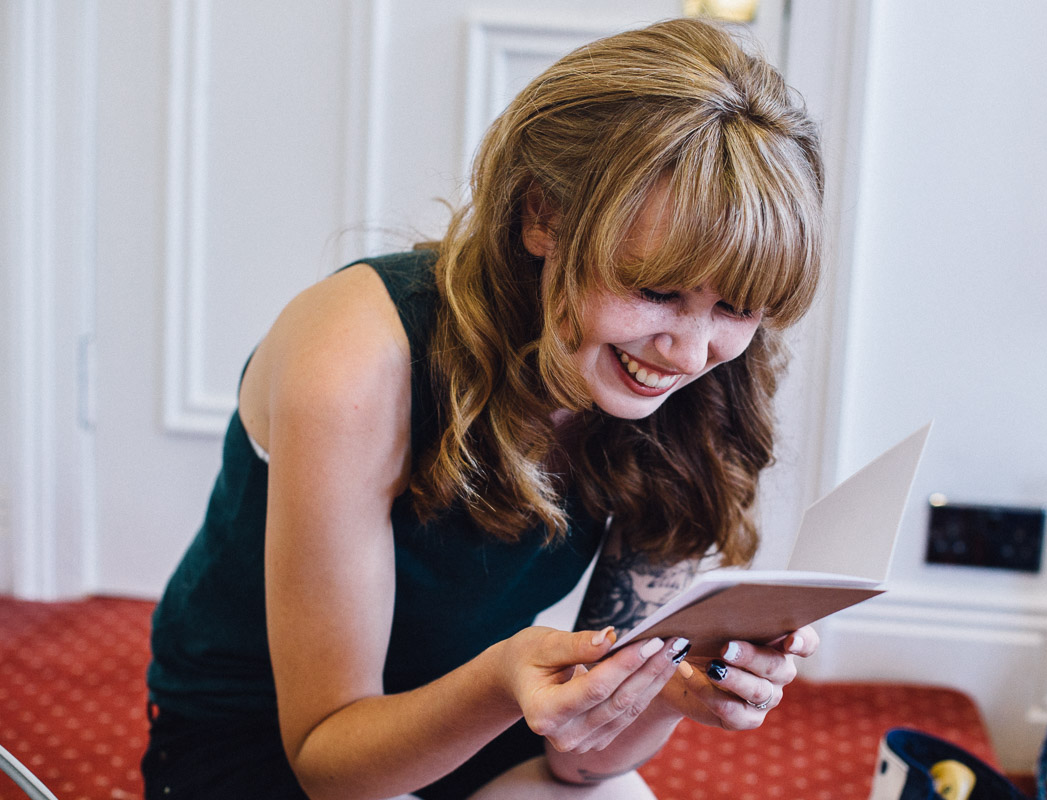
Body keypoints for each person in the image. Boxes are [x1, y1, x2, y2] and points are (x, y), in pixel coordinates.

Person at [141, 16, 825, 800]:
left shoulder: (697, 393)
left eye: (737, 308)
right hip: (274, 742)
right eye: (654, 290)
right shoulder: (357, 358)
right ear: (543, 217)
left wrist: (671, 694)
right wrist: (504, 683)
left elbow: (582, 763)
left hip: (472, 715)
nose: (689, 352)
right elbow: (328, 763)